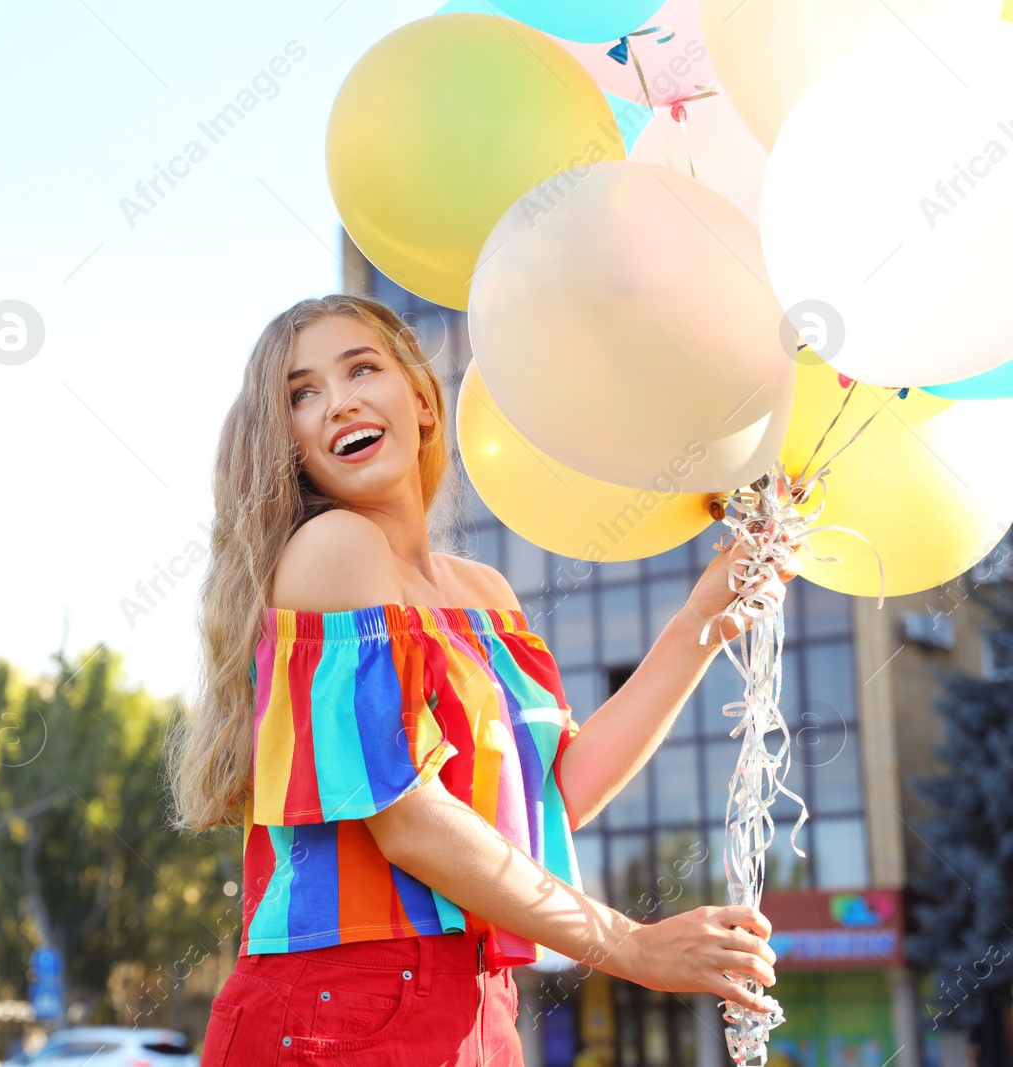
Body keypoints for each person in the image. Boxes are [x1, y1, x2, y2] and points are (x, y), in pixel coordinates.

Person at [163, 294, 803, 1065]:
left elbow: (549, 800)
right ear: (288, 440)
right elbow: (406, 817)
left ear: (423, 402)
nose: (340, 401)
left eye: (361, 367)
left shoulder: (485, 595)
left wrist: (705, 616)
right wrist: (631, 945)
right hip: (335, 1004)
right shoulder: (332, 549)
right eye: (302, 393)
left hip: (477, 1006)